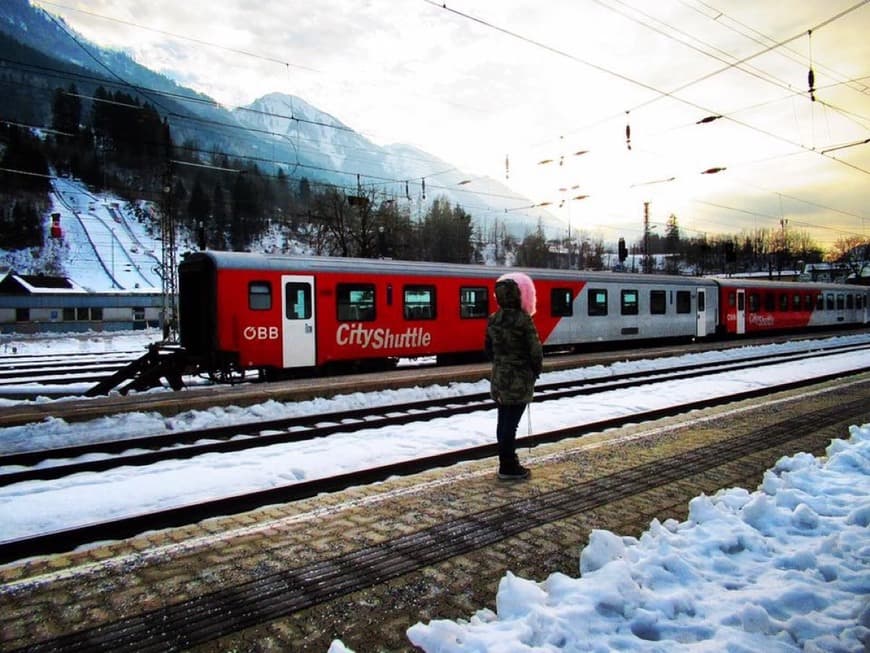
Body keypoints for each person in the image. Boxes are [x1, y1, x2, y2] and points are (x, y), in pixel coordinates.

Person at [484, 272, 543, 480]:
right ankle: (509, 466)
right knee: (512, 424)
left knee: (503, 422)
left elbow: (488, 349)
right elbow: (535, 350)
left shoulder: (493, 319)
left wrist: (500, 363)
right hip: (519, 379)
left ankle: (505, 462)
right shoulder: (523, 320)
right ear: (516, 295)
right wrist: (535, 371)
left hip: (500, 378)